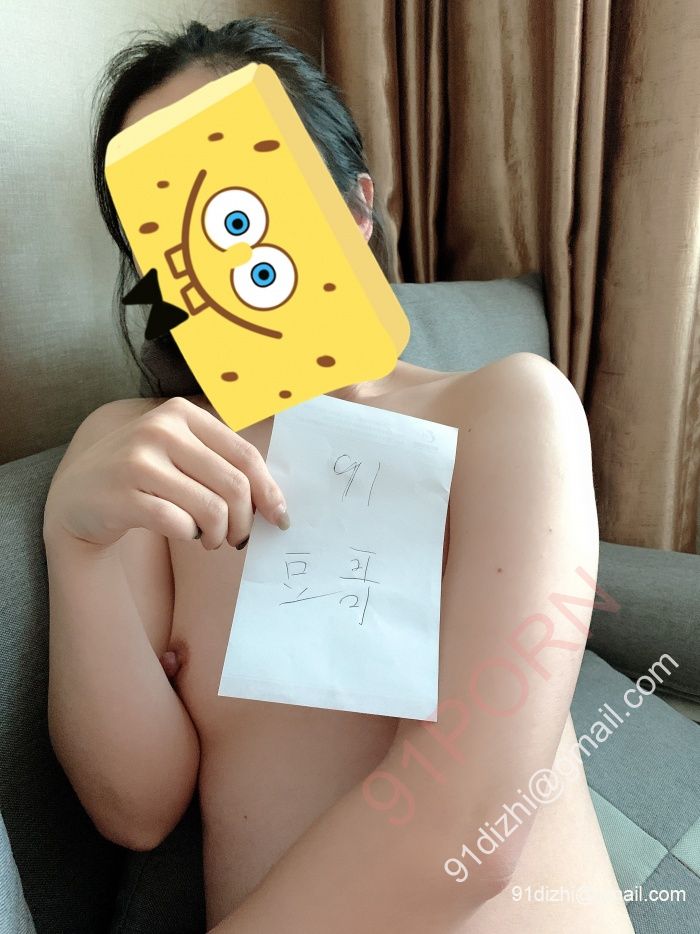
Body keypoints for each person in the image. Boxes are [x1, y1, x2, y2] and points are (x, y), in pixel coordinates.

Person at [43, 18, 633, 933]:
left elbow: (469, 829)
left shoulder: (509, 410)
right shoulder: (144, 456)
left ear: (356, 206)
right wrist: (76, 546)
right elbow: (137, 810)